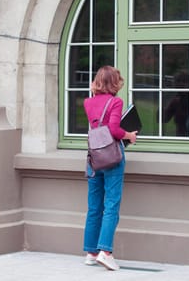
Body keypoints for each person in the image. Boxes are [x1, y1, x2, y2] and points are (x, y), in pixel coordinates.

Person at [82, 66, 137, 271]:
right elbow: (114, 129)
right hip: (112, 157)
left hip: (93, 158)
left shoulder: (88, 102)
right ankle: (105, 252)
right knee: (111, 204)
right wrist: (130, 136)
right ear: (115, 83)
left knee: (94, 206)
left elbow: (97, 122)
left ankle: (91, 252)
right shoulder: (116, 101)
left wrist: (93, 90)